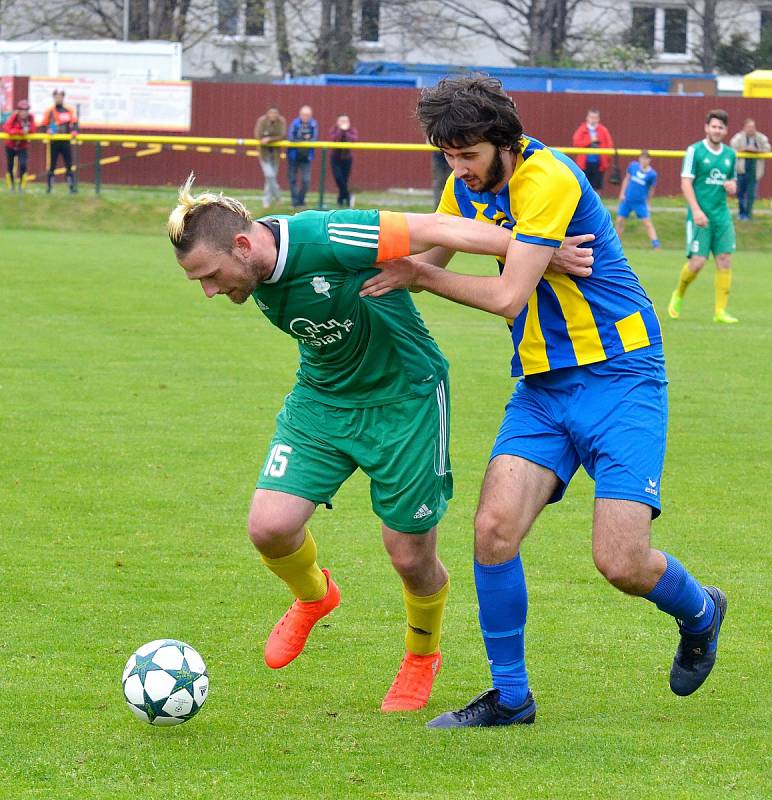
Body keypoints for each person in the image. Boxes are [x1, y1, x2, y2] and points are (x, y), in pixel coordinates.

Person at [361, 75, 726, 728]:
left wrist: (423, 272)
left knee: (620, 562)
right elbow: (426, 253)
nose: (459, 169)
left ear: (504, 142)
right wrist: (318, 250)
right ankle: (511, 697)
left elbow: (505, 295)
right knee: (493, 531)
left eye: (468, 156)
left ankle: (701, 612)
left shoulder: (548, 178)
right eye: (448, 156)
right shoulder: (462, 181)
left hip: (621, 375)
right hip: (542, 386)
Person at [166, 175, 591, 715]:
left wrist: (537, 251)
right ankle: (315, 596)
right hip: (322, 400)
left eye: (209, 275)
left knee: (409, 554)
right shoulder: (250, 268)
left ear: (243, 246)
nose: (208, 290)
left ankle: (421, 656)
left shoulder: (331, 236)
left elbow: (435, 228)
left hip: (404, 400)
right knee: (268, 527)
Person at [668, 110, 738, 325]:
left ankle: (720, 311)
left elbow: (733, 184)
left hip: (722, 216)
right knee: (697, 263)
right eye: (714, 126)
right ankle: (678, 294)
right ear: (706, 128)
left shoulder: (730, 155)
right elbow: (686, 183)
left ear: (726, 131)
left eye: (721, 127)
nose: (717, 130)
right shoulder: (695, 151)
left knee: (725, 260)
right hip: (700, 215)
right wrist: (696, 211)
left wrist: (732, 187)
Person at [615, 149, 660, 249]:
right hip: (627, 200)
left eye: (646, 159)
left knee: (647, 223)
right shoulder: (633, 166)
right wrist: (622, 193)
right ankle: (616, 243)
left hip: (640, 202)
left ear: (649, 160)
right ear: (639, 159)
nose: (644, 161)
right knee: (620, 221)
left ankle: (656, 244)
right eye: (642, 158)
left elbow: (651, 190)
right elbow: (627, 179)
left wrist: (648, 203)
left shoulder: (652, 174)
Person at [730, 118, 770, 221]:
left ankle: (748, 214)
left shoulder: (760, 138)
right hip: (742, 169)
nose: (751, 129)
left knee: (751, 194)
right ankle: (741, 213)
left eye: (753, 127)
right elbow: (732, 148)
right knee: (740, 193)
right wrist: (745, 149)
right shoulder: (738, 137)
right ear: (744, 128)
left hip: (754, 169)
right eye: (749, 127)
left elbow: (767, 148)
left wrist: (757, 150)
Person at [40, 89, 78, 194]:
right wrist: (48, 130)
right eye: (56, 97)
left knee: (69, 164)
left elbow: (74, 123)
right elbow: (43, 125)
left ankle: (71, 187)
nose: (58, 99)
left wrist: (74, 131)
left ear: (63, 98)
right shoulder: (50, 111)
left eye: (60, 97)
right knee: (52, 165)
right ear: (54, 98)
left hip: (65, 140)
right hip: (54, 141)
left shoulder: (69, 110)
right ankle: (49, 187)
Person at [571, 108, 614, 192]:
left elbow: (609, 145)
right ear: (587, 118)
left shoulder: (603, 130)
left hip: (599, 164)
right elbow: (576, 143)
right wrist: (590, 141)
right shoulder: (582, 129)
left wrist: (606, 160)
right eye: (591, 117)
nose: (593, 119)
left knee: (597, 189)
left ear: (598, 119)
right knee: (583, 187)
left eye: (595, 117)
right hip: (584, 164)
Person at [254, 105, 287, 209]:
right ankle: (278, 197)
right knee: (269, 175)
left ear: (278, 114)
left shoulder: (281, 121)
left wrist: (269, 139)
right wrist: (269, 138)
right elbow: (258, 135)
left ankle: (266, 201)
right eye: (271, 113)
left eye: (275, 113)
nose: (273, 115)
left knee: (270, 177)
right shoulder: (261, 121)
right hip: (264, 153)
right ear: (267, 114)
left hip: (275, 153)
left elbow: (282, 135)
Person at [286, 105, 318, 209]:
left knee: (306, 180)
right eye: (304, 114)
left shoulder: (313, 124)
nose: (306, 117)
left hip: (306, 157)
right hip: (294, 156)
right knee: (292, 179)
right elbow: (290, 137)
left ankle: (301, 200)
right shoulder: (295, 123)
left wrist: (303, 139)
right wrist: (303, 138)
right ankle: (295, 201)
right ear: (300, 115)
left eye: (308, 115)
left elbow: (315, 138)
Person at [3, 99, 35, 192]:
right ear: (18, 110)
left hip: (22, 146)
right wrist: (20, 132)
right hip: (10, 145)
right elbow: (7, 128)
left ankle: (21, 186)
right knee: (10, 166)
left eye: (26, 110)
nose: (24, 112)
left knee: (23, 164)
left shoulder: (30, 117)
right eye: (22, 110)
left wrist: (27, 131)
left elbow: (33, 129)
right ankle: (11, 187)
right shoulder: (14, 117)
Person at [329, 114, 358, 207]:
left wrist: (346, 132)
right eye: (342, 121)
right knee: (338, 178)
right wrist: (341, 131)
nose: (344, 123)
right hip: (335, 158)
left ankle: (340, 200)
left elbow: (354, 139)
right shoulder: (334, 129)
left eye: (346, 121)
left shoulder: (352, 130)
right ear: (337, 122)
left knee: (344, 180)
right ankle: (348, 196)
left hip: (347, 158)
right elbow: (334, 139)